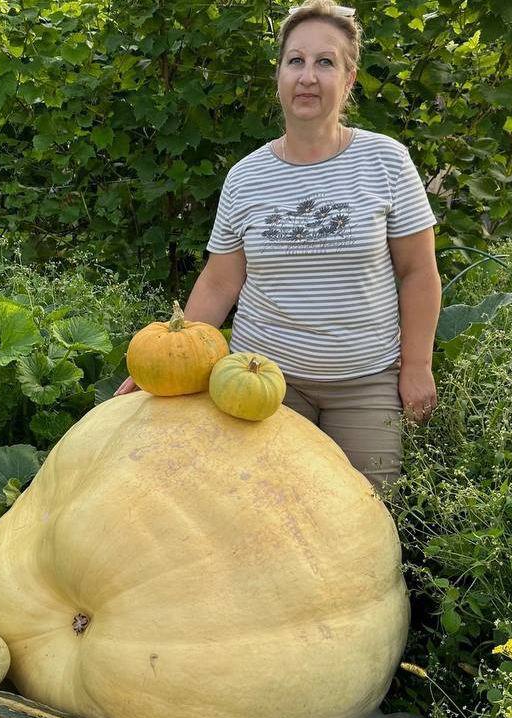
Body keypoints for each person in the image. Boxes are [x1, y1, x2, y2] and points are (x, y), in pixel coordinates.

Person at [115, 0, 442, 492]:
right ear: (279, 76)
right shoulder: (246, 177)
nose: (308, 76)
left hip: (365, 382)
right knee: (262, 514)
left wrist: (417, 366)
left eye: (325, 62)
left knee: (366, 514)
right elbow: (221, 281)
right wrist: (164, 362)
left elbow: (418, 272)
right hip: (259, 381)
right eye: (296, 60)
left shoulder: (386, 161)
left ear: (349, 79)